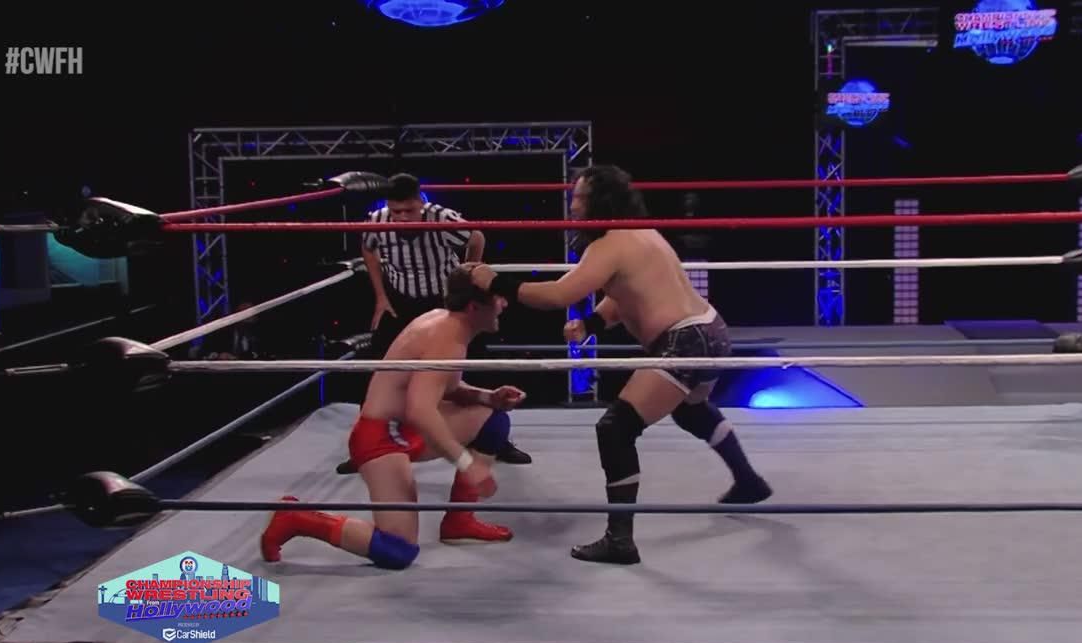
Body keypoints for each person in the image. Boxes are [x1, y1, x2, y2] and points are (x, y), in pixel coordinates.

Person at [470, 165, 771, 565]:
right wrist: (591, 324)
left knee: (615, 429)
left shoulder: (609, 243)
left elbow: (557, 295)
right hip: (710, 329)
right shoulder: (642, 232)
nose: (572, 204)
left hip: (683, 340)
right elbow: (625, 292)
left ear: (601, 200)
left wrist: (494, 282)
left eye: (580, 197)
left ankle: (620, 540)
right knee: (691, 409)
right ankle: (748, 481)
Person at [260, 264, 526, 569]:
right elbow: (421, 410)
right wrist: (468, 465)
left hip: (406, 427)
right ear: (474, 307)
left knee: (493, 418)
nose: (504, 303)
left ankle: (459, 521)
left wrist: (488, 397)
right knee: (398, 551)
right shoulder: (445, 338)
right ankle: (297, 518)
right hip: (381, 437)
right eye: (498, 297)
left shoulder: (449, 326)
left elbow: (447, 388)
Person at [334, 172, 532, 472]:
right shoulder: (378, 220)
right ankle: (364, 446)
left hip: (444, 300)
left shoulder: (441, 217)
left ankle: (497, 438)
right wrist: (381, 297)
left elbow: (476, 237)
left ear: (421, 202)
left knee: (475, 362)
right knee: (380, 368)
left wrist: (468, 278)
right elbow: (368, 247)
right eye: (396, 211)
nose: (402, 218)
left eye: (409, 210)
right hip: (401, 299)